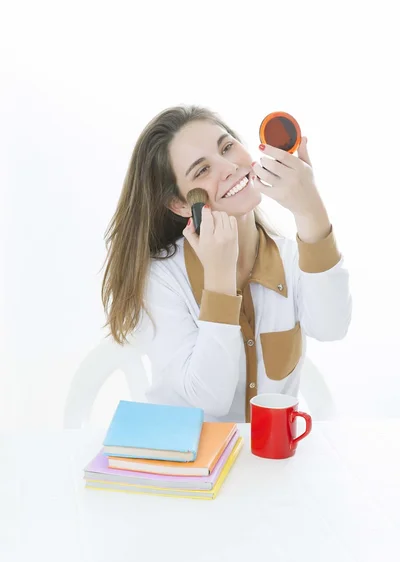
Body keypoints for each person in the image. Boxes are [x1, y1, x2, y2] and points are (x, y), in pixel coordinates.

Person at [101, 105, 352, 423]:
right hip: (184, 464)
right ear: (180, 203)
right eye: (202, 170)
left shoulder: (291, 258)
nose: (229, 167)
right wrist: (219, 279)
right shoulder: (162, 277)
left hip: (268, 464)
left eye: (227, 147)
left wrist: (310, 211)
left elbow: (332, 327)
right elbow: (208, 402)